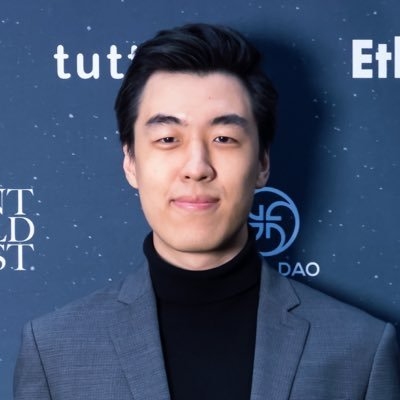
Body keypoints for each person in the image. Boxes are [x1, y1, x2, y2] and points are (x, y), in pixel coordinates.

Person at [14, 23, 400, 400]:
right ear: (130, 161)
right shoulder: (54, 353)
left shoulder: (360, 350)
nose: (197, 167)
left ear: (262, 163)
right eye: (168, 138)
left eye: (223, 138)